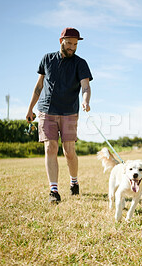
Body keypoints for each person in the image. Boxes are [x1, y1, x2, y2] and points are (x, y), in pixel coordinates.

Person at [26, 27, 93, 203]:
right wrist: (30, 108)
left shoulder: (80, 63)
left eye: (75, 44)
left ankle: (74, 181)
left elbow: (85, 86)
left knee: (69, 152)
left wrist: (85, 100)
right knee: (50, 148)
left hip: (70, 112)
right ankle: (54, 191)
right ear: (61, 41)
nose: (72, 47)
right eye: (69, 43)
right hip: (46, 110)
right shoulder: (47, 59)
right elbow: (39, 86)